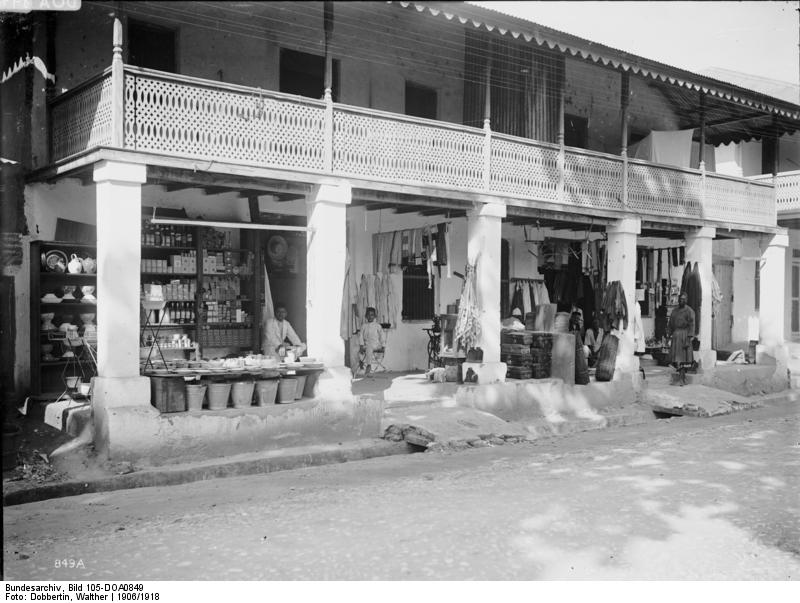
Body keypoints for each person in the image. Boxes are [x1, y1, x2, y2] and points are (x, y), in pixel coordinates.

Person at [668, 293, 695, 369]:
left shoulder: (689, 311)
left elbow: (692, 324)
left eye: (683, 299)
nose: (681, 301)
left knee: (685, 356)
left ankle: (685, 368)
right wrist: (669, 334)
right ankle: (677, 366)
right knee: (676, 356)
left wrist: (689, 337)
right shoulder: (675, 310)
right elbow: (671, 323)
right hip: (676, 335)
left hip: (685, 334)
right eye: (680, 299)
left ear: (686, 300)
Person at [358, 307, 386, 375]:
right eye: (368, 315)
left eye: (372, 315)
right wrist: (361, 345)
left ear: (375, 316)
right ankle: (361, 363)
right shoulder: (364, 326)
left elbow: (382, 336)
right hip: (366, 345)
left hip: (375, 344)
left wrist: (383, 345)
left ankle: (369, 365)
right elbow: (361, 336)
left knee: (369, 348)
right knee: (358, 349)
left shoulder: (377, 326)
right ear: (366, 316)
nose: (370, 316)